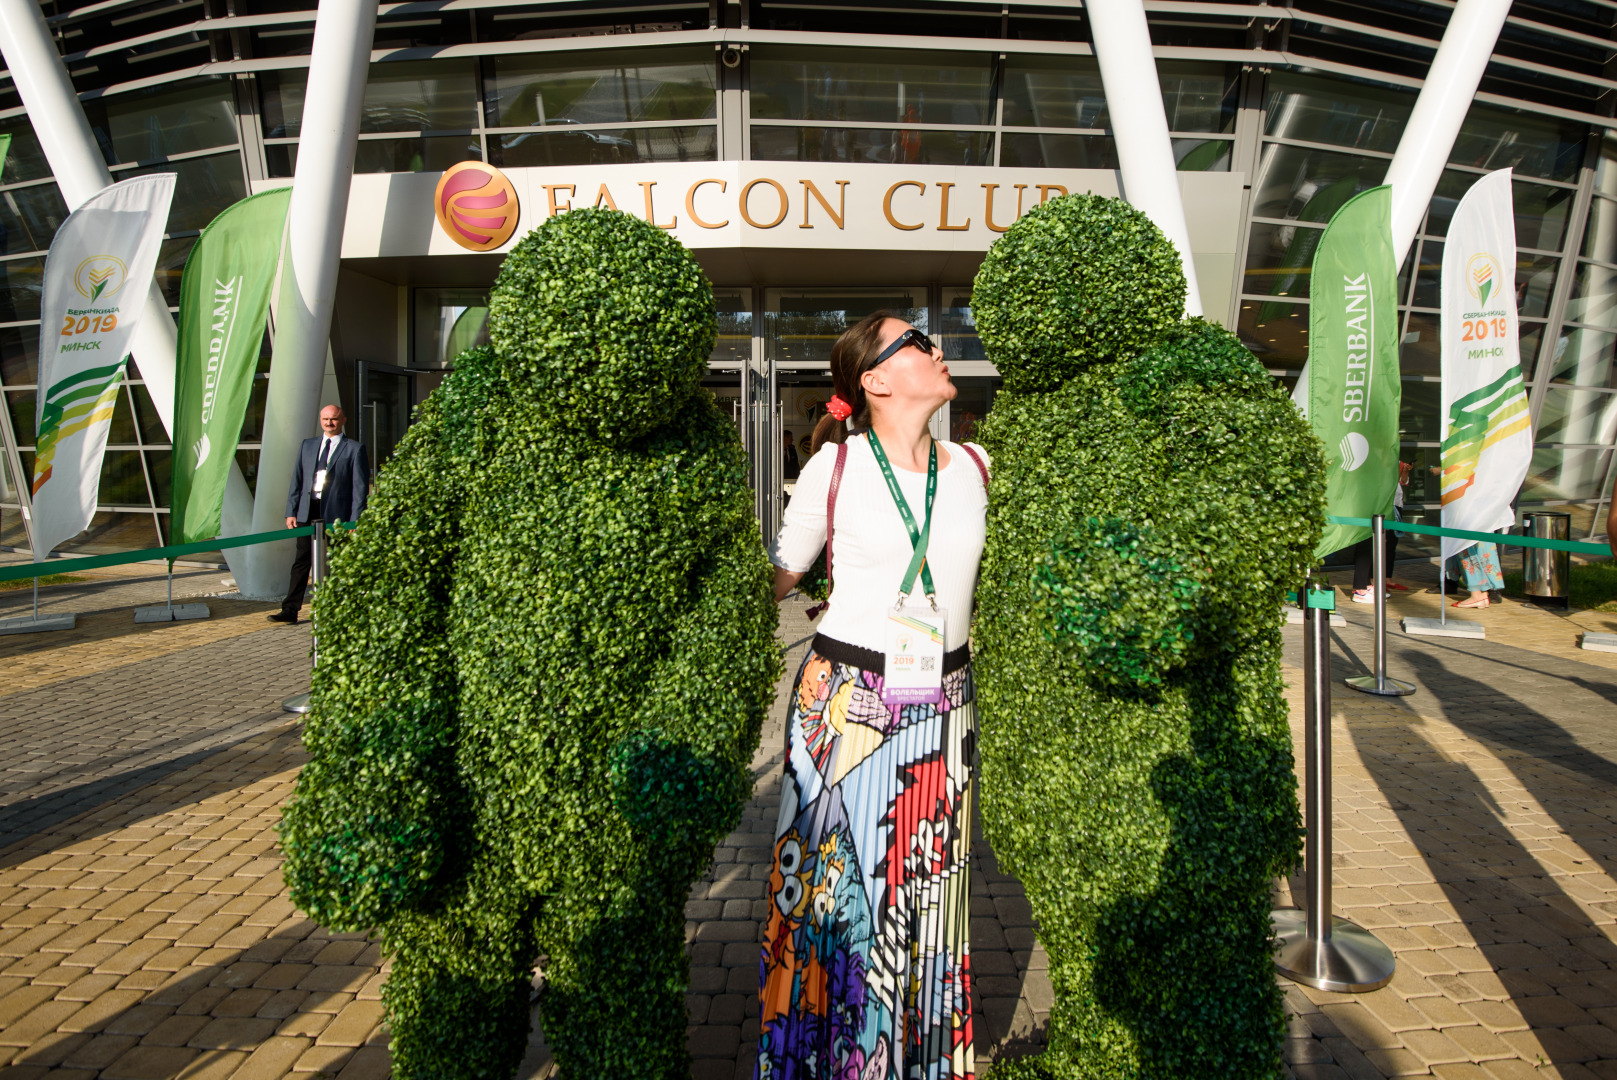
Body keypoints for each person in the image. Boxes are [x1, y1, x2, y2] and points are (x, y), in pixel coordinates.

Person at [758, 312, 988, 1080]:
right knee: (830, 897)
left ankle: (913, 1063)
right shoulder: (835, 468)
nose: (938, 348)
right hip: (843, 707)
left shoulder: (976, 468)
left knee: (925, 897)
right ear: (876, 379)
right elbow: (779, 576)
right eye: (919, 341)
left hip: (942, 703)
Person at [269, 404, 370, 624]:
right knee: (301, 562)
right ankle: (290, 611)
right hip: (308, 510)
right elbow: (297, 479)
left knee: (335, 562)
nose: (329, 423)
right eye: (325, 419)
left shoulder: (354, 449)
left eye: (333, 419)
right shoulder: (308, 445)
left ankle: (335, 610)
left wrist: (355, 519)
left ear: (343, 420)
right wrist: (291, 510)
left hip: (337, 514)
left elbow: (360, 488)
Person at [1351, 460, 1411, 603]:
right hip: (1370, 506)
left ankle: (1365, 585)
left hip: (1378, 506)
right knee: (1365, 545)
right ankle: (1360, 589)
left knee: (1372, 546)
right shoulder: (1371, 460)